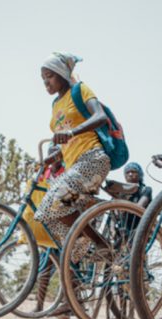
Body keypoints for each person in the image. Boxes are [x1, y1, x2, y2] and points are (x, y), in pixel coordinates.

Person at [35, 52, 112, 260]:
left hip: (92, 159)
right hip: (73, 164)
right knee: (44, 214)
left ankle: (101, 244)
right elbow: (68, 140)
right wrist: (56, 155)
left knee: (55, 203)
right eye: (43, 77)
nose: (45, 82)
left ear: (61, 74)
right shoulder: (55, 105)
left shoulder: (79, 90)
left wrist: (71, 133)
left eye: (49, 76)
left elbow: (100, 116)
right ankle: (82, 254)